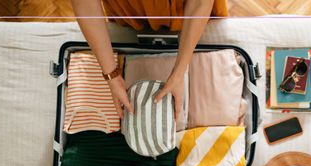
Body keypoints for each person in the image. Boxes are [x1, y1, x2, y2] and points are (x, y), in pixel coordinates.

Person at [71, 0, 228, 119]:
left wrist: (180, 71)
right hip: (131, 13)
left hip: (190, 14)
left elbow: (200, 2)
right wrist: (111, 75)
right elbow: (85, 3)